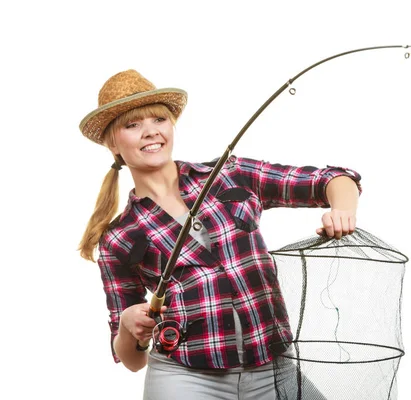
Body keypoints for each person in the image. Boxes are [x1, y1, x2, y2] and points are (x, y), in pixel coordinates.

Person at [78, 69, 361, 399]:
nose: (150, 132)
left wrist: (343, 209)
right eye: (133, 125)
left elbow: (333, 179)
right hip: (185, 379)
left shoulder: (230, 175)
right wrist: (129, 325)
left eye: (158, 119)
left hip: (272, 367)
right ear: (112, 142)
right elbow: (132, 359)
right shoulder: (119, 236)